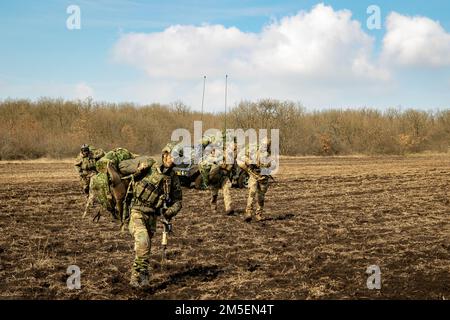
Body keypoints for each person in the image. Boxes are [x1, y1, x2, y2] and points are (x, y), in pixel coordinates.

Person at [127, 142, 183, 288]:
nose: (174, 160)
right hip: (137, 211)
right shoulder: (150, 165)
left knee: (144, 249)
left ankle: (140, 274)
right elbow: (127, 172)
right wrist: (137, 169)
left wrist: (168, 212)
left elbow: (178, 202)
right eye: (172, 156)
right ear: (165, 154)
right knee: (143, 241)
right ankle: (138, 276)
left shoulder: (173, 179)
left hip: (152, 216)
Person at [238, 137, 273, 222]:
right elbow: (244, 157)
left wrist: (259, 165)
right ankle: (248, 212)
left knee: (261, 197)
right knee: (252, 193)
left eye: (266, 145)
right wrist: (250, 162)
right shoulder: (253, 150)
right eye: (263, 145)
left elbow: (268, 166)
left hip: (263, 178)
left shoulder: (269, 156)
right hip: (254, 175)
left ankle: (259, 214)